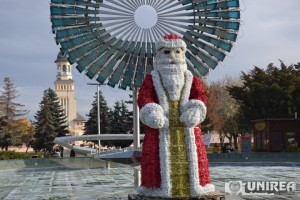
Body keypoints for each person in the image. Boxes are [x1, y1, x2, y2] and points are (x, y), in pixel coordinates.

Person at [137, 34, 214, 198]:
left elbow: (199, 96)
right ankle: (156, 187)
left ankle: (193, 187)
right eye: (167, 52)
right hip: (160, 132)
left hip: (188, 132)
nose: (173, 56)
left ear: (183, 53)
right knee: (157, 164)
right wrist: (152, 112)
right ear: (159, 54)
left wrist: (195, 110)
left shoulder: (191, 79)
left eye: (177, 52)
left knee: (193, 163)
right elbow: (144, 97)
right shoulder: (151, 79)